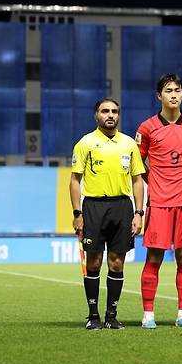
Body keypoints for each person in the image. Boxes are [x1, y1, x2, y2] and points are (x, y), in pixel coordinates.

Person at [136, 74, 182, 329]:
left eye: (177, 90)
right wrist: (152, 179)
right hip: (159, 202)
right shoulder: (146, 128)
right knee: (154, 257)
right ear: (159, 96)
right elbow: (137, 163)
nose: (174, 94)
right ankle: (148, 315)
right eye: (168, 90)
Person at [70, 98, 145, 330]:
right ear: (96, 115)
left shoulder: (129, 144)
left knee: (116, 263)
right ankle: (93, 316)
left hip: (122, 207)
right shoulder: (85, 143)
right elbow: (75, 180)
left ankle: (111, 316)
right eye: (105, 111)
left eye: (114, 111)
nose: (110, 115)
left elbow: (138, 180)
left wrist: (139, 212)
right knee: (93, 262)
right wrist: (77, 213)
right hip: (93, 207)